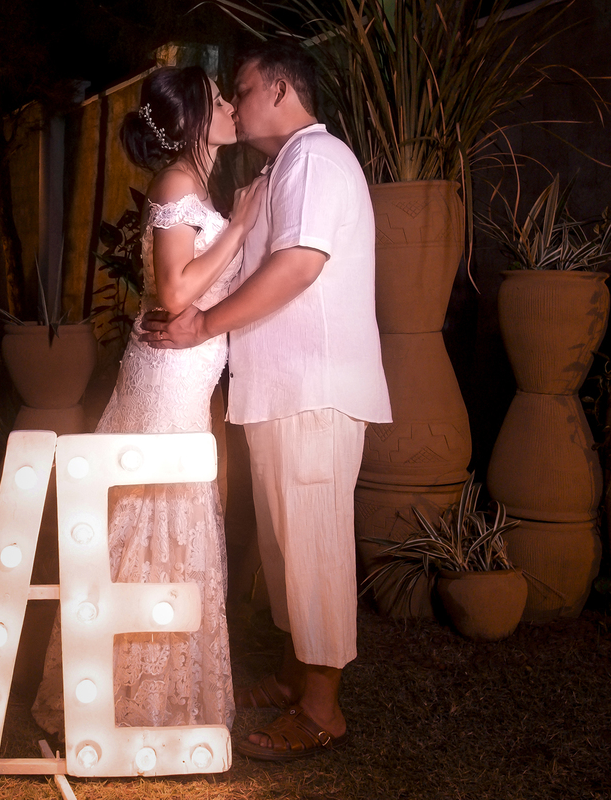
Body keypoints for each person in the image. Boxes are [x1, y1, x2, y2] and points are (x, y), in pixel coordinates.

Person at [141, 41, 391, 760]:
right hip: (284, 392)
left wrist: (202, 327)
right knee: (288, 548)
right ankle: (291, 679)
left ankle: (321, 710)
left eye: (243, 90)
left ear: (281, 90)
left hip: (311, 390)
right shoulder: (286, 169)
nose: (236, 103)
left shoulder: (313, 158)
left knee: (312, 546)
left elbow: (300, 265)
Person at [31, 65, 266, 735]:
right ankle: (125, 700)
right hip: (168, 381)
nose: (229, 107)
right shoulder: (177, 183)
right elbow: (174, 291)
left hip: (185, 373)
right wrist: (242, 229)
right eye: (219, 99)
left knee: (175, 516)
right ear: (193, 119)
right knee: (150, 518)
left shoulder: (196, 184)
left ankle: (163, 695)